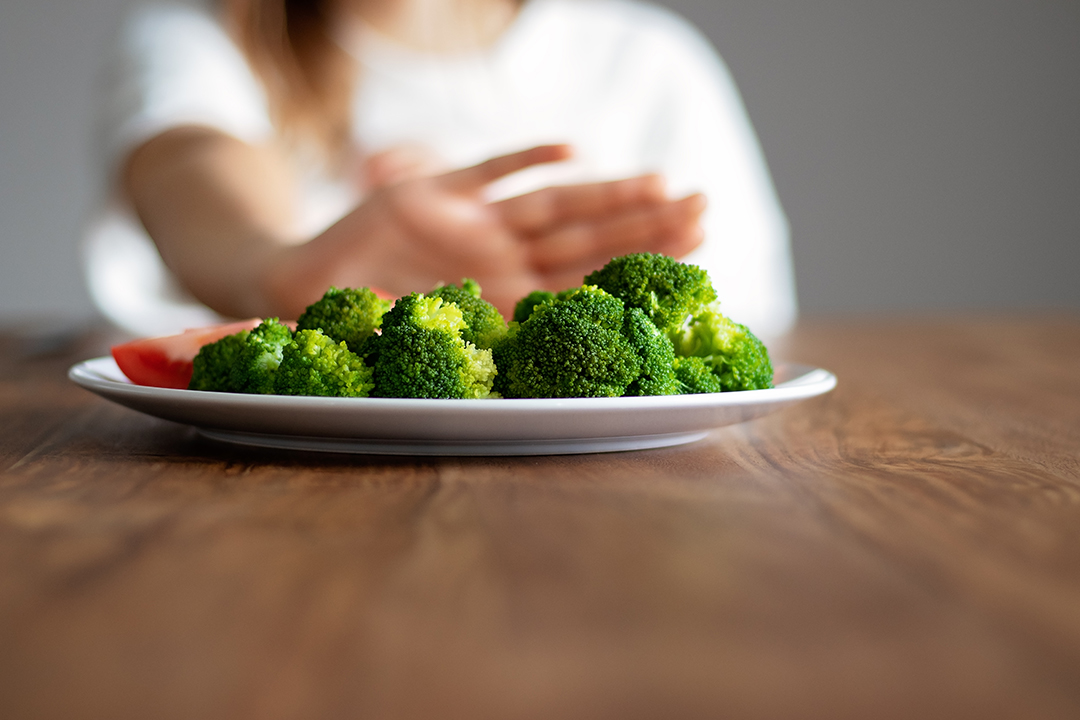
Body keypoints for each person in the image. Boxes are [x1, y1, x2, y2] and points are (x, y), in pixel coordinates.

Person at [86, 0, 797, 338]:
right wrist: (272, 266)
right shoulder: (204, 33)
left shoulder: (647, 58)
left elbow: (745, 318)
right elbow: (188, 158)